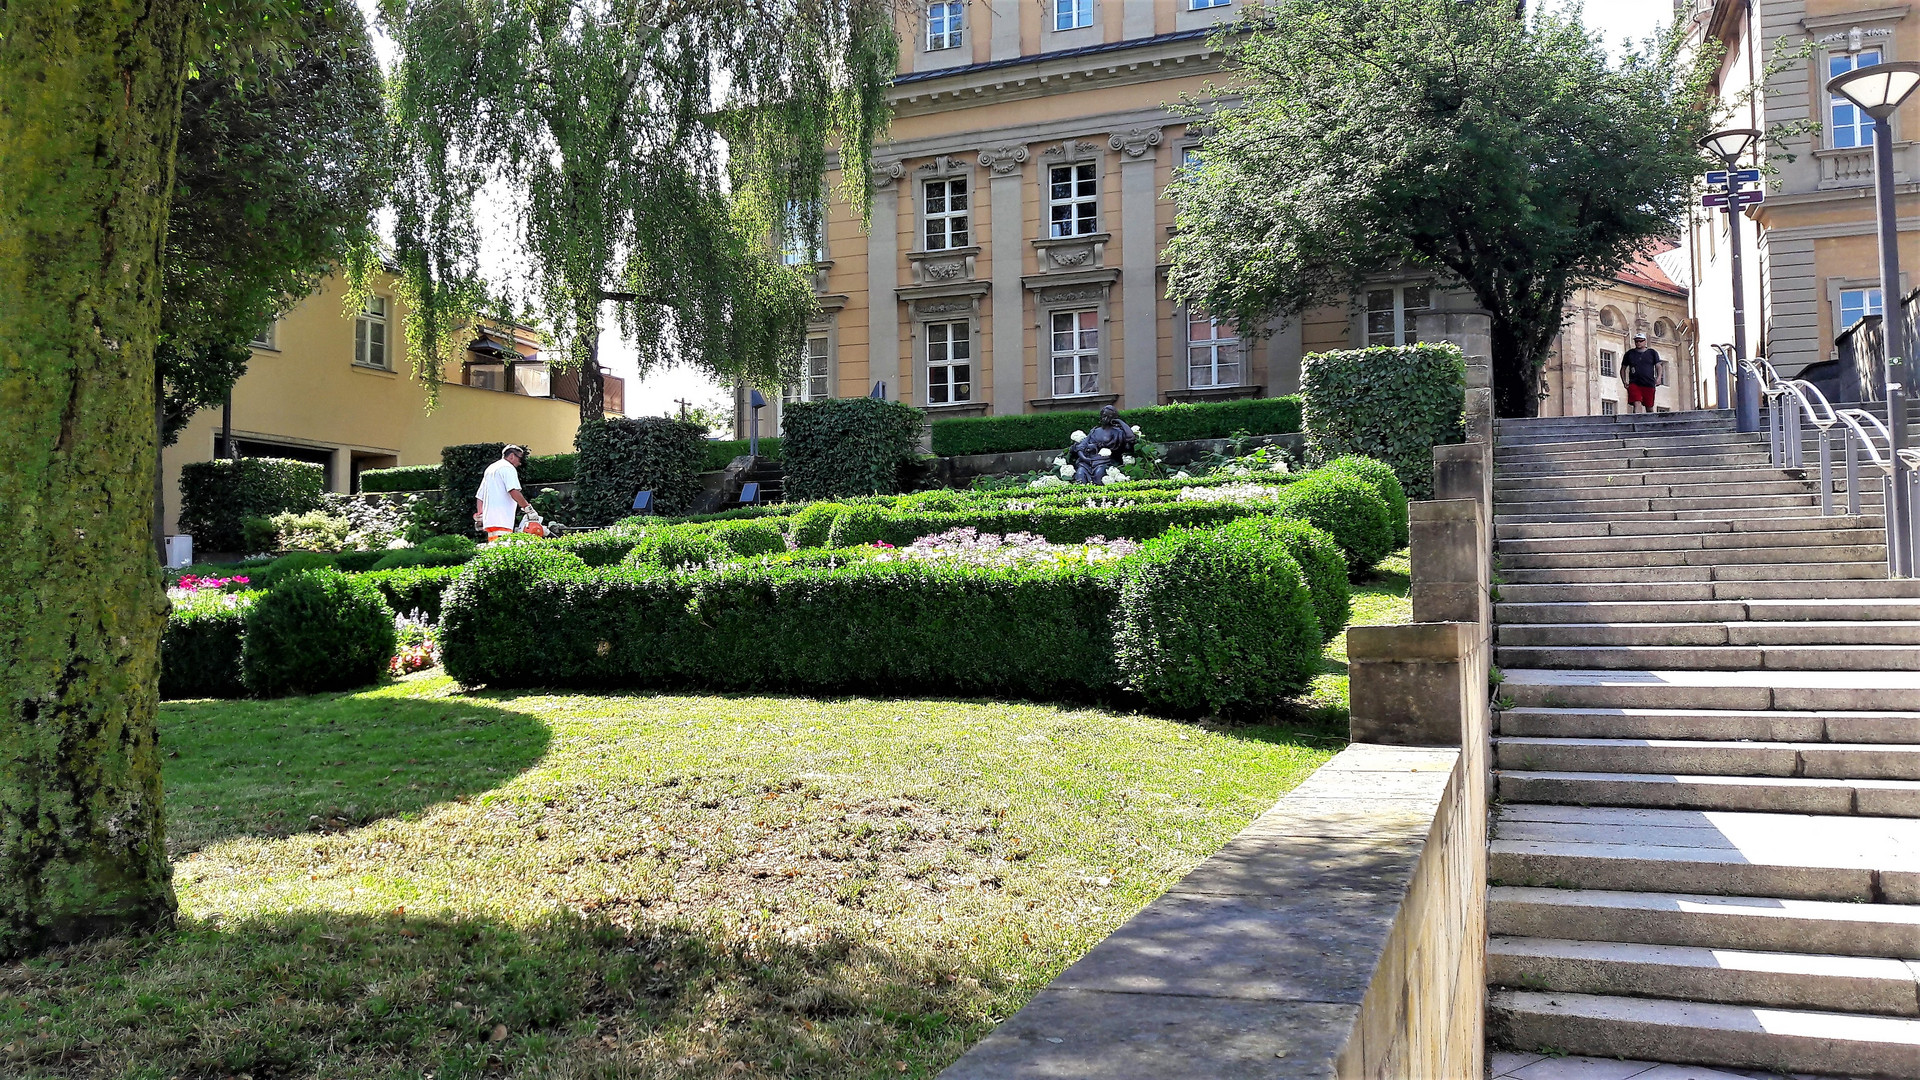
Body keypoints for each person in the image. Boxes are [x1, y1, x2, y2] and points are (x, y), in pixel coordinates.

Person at [474, 444, 537, 542]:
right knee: (502, 549)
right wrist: (528, 509)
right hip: (503, 520)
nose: (520, 463)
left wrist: (480, 515)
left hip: (489, 523)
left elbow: (480, 496)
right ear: (512, 456)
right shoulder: (508, 468)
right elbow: (513, 491)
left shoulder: (490, 469)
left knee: (494, 551)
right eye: (520, 459)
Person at [1069, 405, 1140, 484]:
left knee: (1099, 473)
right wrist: (1085, 458)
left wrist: (1120, 422)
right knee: (1080, 473)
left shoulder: (1117, 432)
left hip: (1106, 462)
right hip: (1089, 461)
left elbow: (1131, 438)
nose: (1105, 419)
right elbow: (1081, 446)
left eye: (1109, 417)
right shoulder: (1094, 431)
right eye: (1104, 416)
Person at [1621, 333, 1662, 414]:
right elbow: (1623, 368)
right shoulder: (1630, 353)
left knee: (1649, 407)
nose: (1638, 343)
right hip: (1634, 383)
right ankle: (1637, 421)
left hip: (1649, 383)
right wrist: (1624, 382)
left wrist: (1659, 378)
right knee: (1637, 402)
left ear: (1645, 341)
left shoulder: (1652, 353)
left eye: (1640, 341)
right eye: (1636, 341)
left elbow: (1658, 366)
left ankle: (1650, 424)